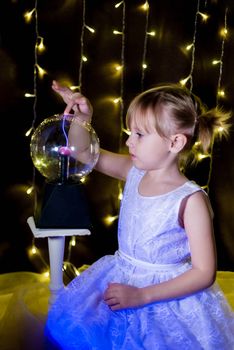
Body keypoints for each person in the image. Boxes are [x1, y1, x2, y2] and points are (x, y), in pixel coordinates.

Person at [45, 81, 234, 349]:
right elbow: (84, 154)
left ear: (176, 142)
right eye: (130, 132)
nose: (128, 141)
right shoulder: (133, 171)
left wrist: (143, 296)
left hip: (163, 296)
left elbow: (204, 272)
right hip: (120, 278)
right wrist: (83, 119)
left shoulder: (190, 200)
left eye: (139, 134)